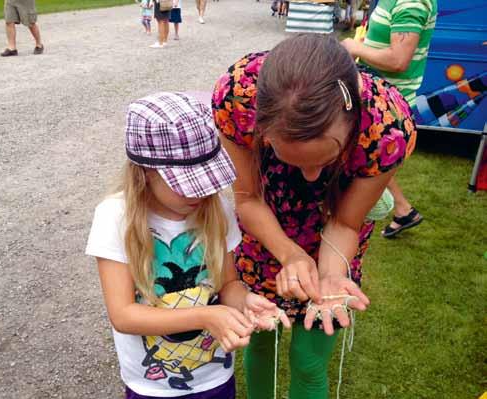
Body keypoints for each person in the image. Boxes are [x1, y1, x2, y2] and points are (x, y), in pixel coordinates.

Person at [211, 34, 416, 398]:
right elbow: (247, 197)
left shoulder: (388, 127)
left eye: (324, 160)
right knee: (261, 340)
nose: (310, 177)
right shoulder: (236, 96)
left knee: (309, 361)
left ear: (354, 125)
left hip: (335, 232)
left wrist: (331, 277)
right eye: (293, 159)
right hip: (264, 225)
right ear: (261, 128)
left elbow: (344, 222)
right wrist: (288, 253)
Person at [86, 92, 289, 399]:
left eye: (206, 181)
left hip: (216, 375)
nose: (201, 194)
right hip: (152, 386)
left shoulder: (215, 210)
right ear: (144, 172)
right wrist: (206, 316)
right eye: (187, 184)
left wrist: (244, 302)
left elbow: (228, 284)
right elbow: (123, 315)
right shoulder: (115, 217)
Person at [342, 0, 437, 238]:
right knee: (368, 162)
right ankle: (403, 210)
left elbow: (398, 60)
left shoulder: (411, 2)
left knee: (363, 163)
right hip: (375, 98)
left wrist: (356, 48)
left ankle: (353, 225)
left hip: (387, 107)